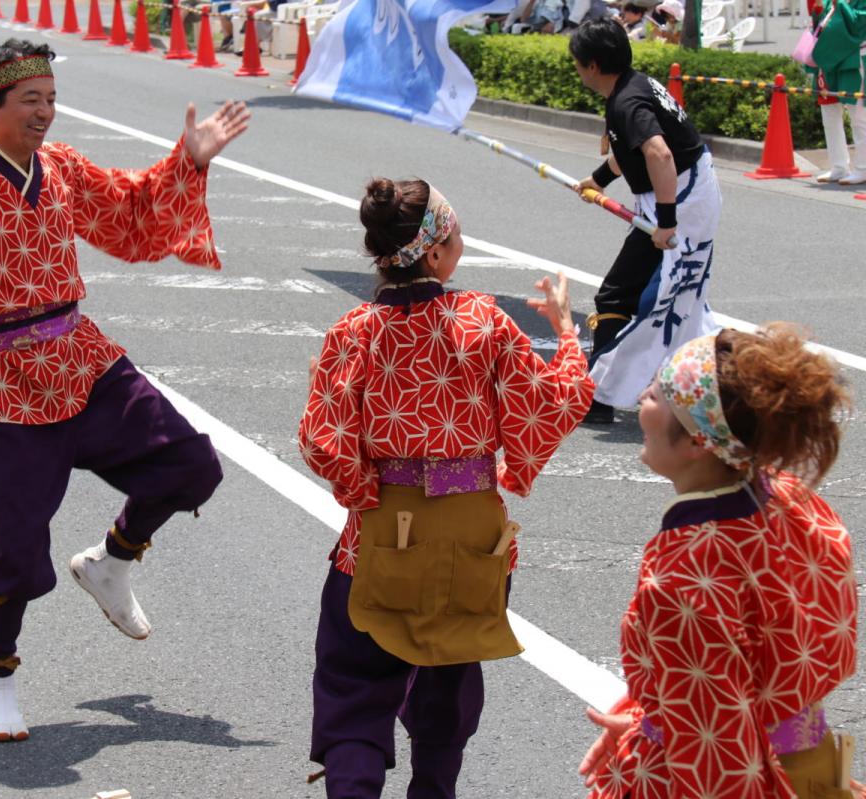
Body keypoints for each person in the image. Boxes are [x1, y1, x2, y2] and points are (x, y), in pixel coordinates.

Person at [0, 39, 250, 742]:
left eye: (51, 97)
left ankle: (112, 560)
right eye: (30, 100)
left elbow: (132, 216)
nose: (46, 112)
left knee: (191, 465)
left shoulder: (62, 167)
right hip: (6, 378)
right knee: (19, 547)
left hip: (81, 356)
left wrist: (190, 158)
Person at [299, 178, 594, 798]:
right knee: (447, 680)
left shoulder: (353, 332)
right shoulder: (482, 320)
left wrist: (363, 490)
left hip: (383, 526)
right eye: (455, 235)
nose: (460, 243)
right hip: (471, 531)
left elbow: (324, 441)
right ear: (434, 254)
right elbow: (544, 406)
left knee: (356, 687)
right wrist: (567, 335)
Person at [577, 324, 859, 798]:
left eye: (657, 394)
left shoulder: (683, 579)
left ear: (696, 442)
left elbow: (722, 768)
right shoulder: (789, 498)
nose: (643, 395)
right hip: (812, 762)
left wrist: (660, 724)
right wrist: (652, 709)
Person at [572, 17, 721, 424]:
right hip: (672, 199)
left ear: (594, 65)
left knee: (658, 301)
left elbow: (659, 154)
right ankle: (604, 395)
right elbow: (633, 150)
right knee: (627, 296)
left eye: (578, 62)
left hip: (681, 203)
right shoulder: (631, 86)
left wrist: (668, 222)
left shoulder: (627, 101)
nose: (577, 69)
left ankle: (607, 394)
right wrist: (598, 180)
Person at [807, 0, 866, 185]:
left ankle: (863, 168)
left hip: (853, 58)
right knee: (829, 114)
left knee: (858, 117)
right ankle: (839, 166)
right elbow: (819, 25)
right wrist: (817, 13)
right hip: (829, 58)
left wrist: (838, 4)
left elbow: (859, 23)